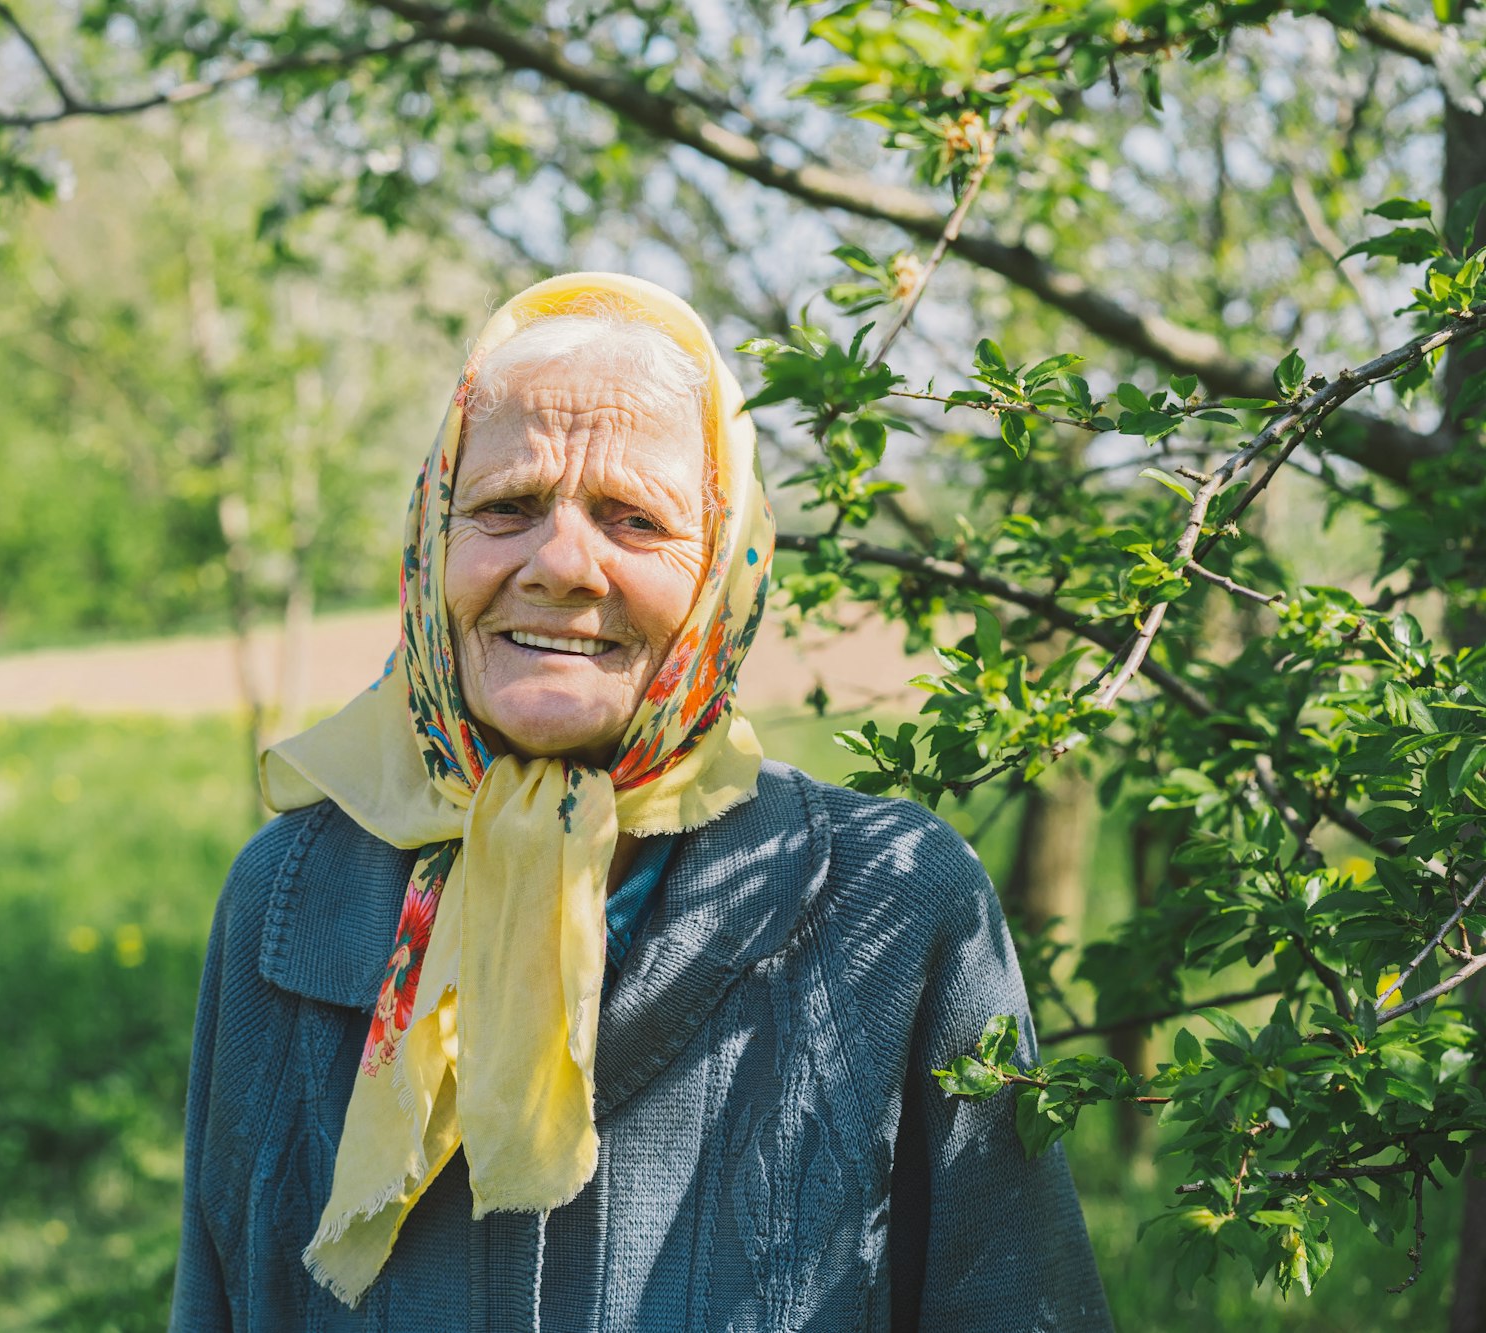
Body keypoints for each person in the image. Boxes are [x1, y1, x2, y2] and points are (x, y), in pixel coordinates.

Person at [169, 273, 1113, 1332]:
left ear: (726, 565)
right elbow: (217, 1294)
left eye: (633, 519)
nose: (563, 564)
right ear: (434, 539)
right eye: (504, 508)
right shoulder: (293, 892)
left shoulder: (890, 903)